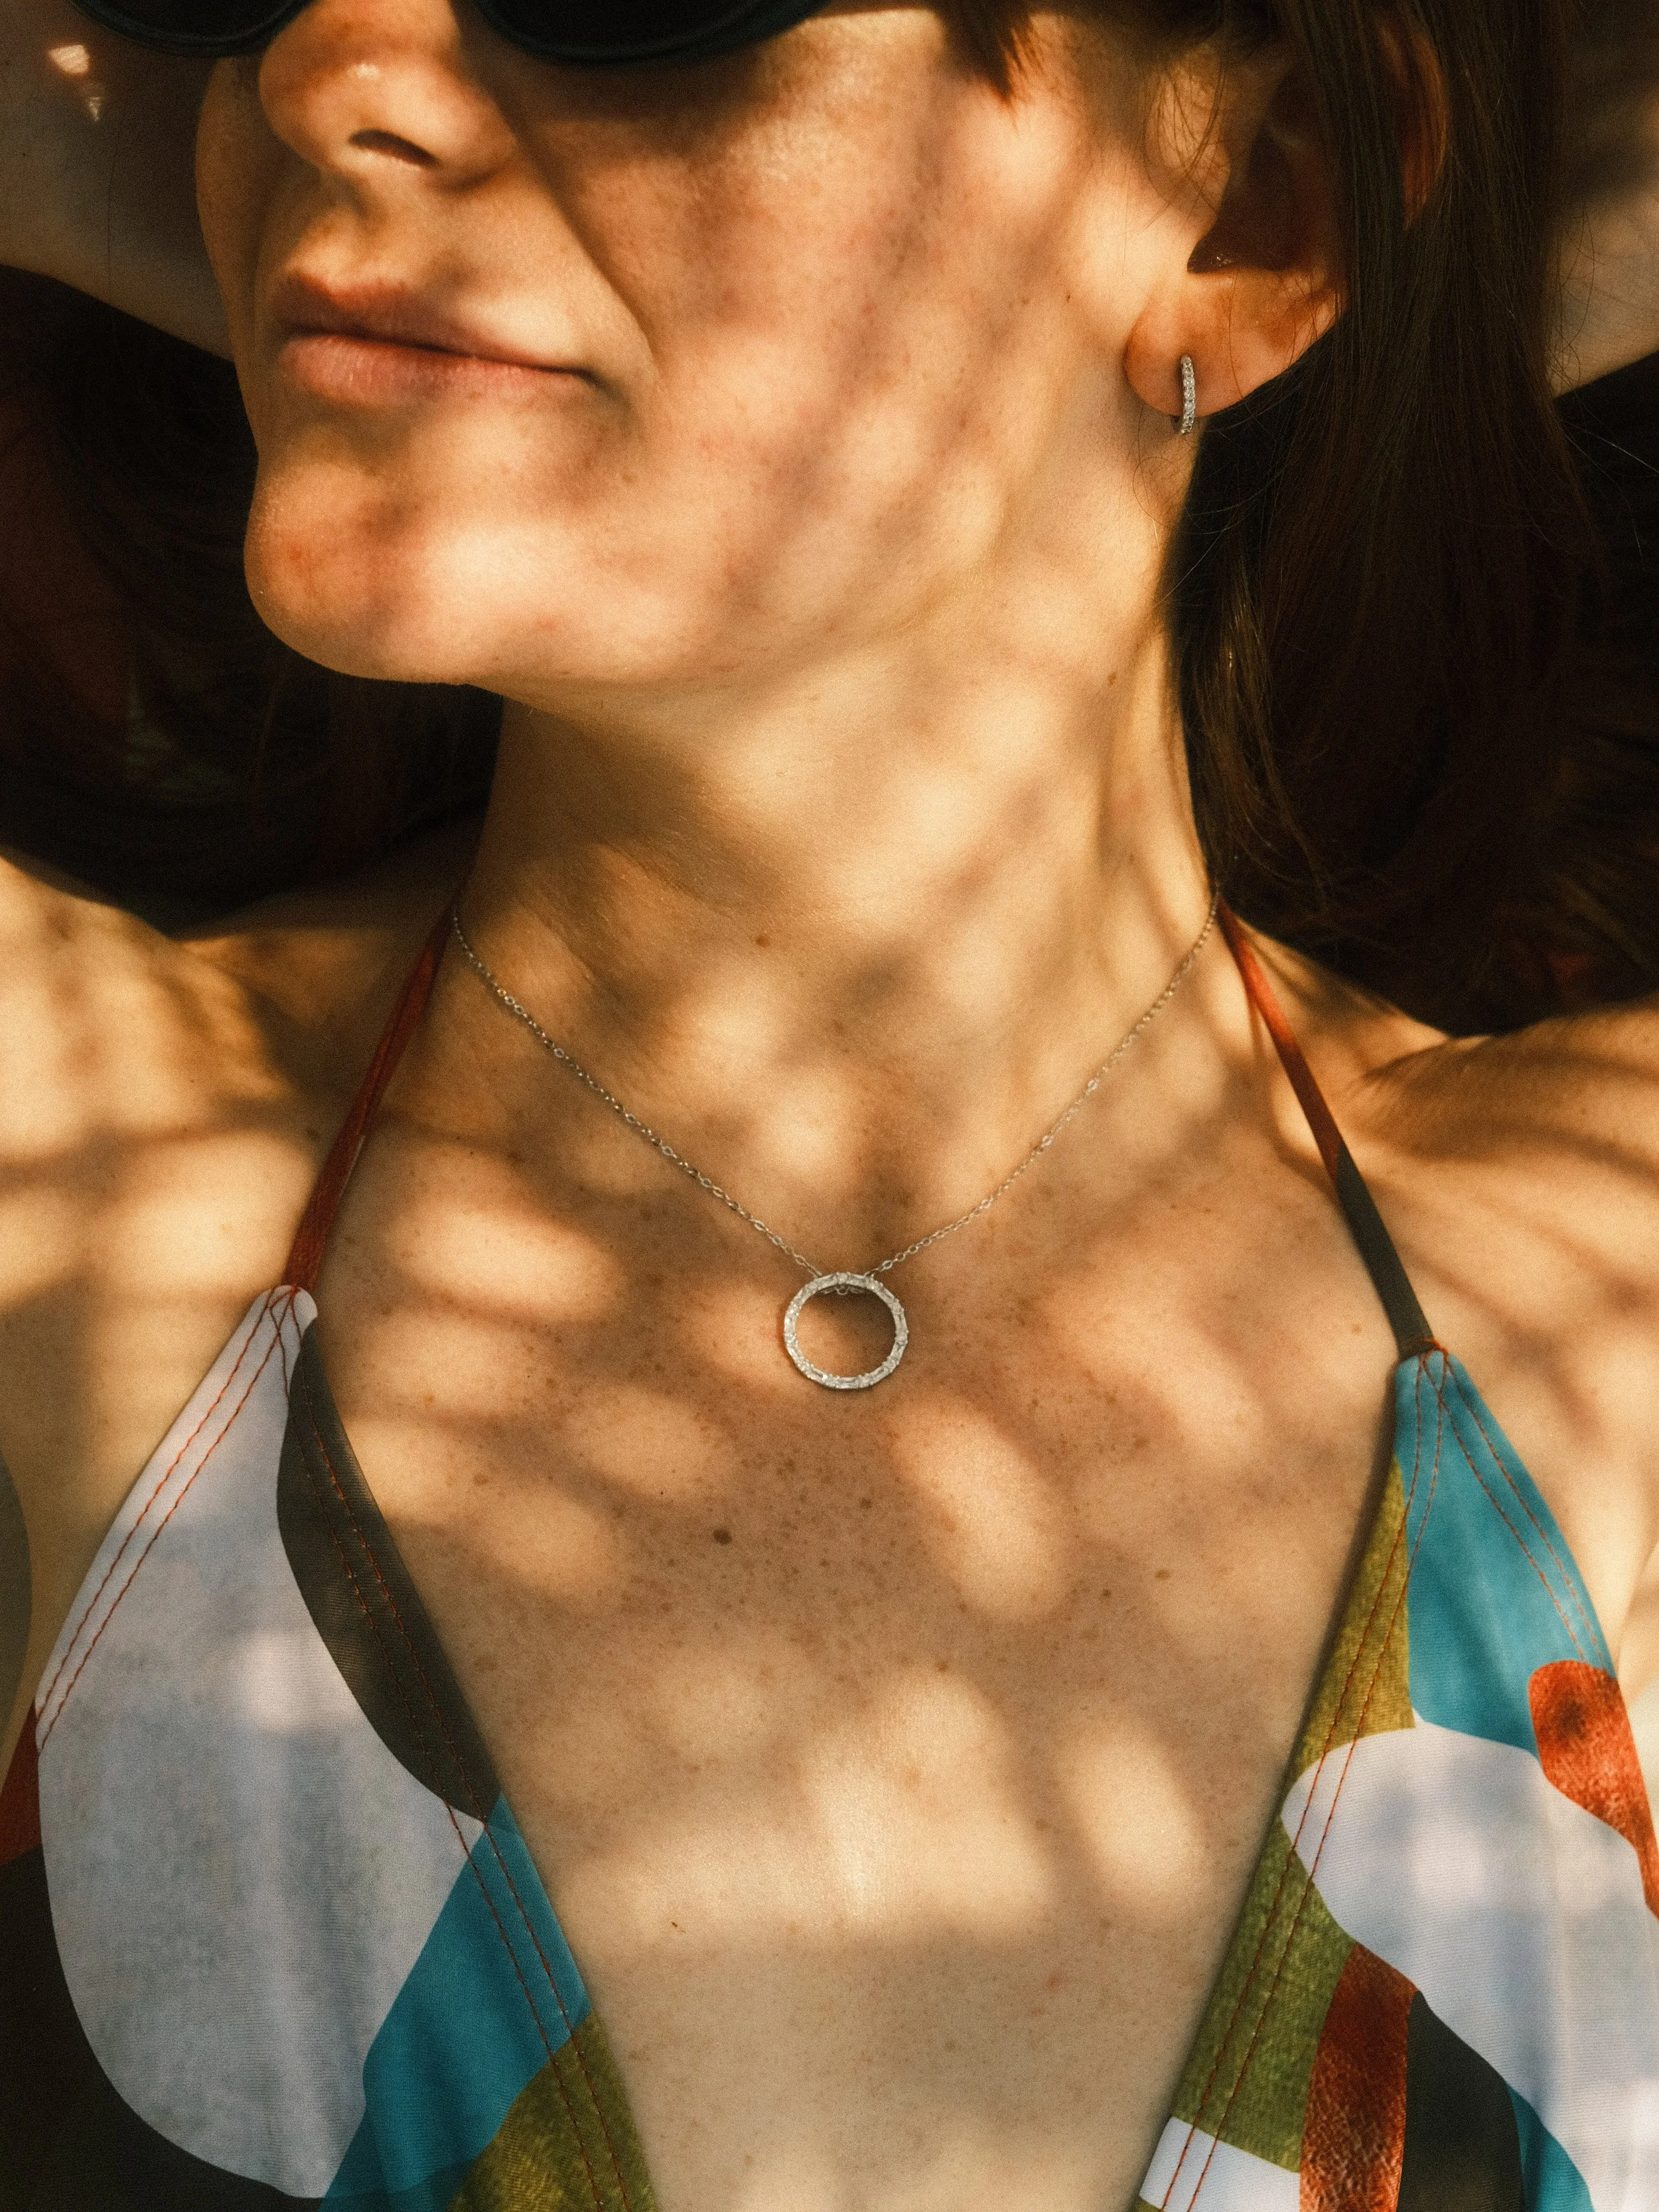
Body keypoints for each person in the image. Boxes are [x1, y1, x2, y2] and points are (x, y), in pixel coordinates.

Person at [0, 1, 1656, 2207]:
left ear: (1258, 197)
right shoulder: (67, 1152)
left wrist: (1319, 310)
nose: (321, 70)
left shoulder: (1610, 1264)